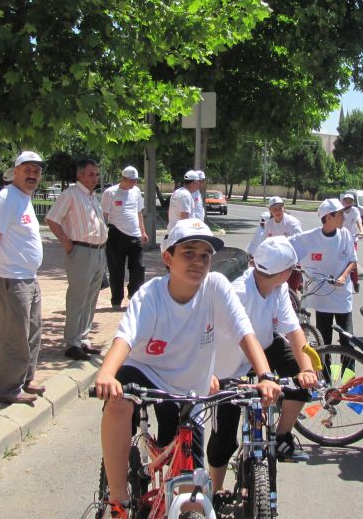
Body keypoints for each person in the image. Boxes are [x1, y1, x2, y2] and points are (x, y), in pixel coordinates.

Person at [93, 219, 282, 519]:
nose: (198, 261)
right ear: (168, 258)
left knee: (191, 495)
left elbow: (244, 332)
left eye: (205, 255)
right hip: (145, 374)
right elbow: (124, 340)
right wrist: (106, 375)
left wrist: (265, 376)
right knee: (118, 402)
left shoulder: (216, 286)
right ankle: (117, 499)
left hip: (188, 392)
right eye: (188, 253)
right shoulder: (151, 295)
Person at [207, 237, 318, 494]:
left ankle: (281, 436)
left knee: (301, 385)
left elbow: (294, 331)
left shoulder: (278, 289)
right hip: (229, 363)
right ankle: (216, 490)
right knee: (224, 438)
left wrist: (307, 370)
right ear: (284, 273)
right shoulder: (238, 292)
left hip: (266, 349)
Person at [0, 151, 46, 404]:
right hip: (11, 279)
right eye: (27, 170)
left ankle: (26, 379)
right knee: (15, 337)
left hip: (28, 277)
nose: (32, 176)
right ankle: (8, 389)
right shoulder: (6, 199)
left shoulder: (24, 199)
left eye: (36, 172)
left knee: (33, 332)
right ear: (15, 172)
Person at [45, 159, 108, 358]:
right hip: (81, 251)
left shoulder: (91, 196)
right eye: (91, 174)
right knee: (78, 297)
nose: (95, 178)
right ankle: (72, 342)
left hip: (98, 251)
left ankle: (83, 338)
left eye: (97, 174)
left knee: (91, 297)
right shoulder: (71, 194)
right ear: (80, 175)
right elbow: (52, 218)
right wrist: (66, 243)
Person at [289, 199, 357, 346]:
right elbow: (286, 245)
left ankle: (347, 370)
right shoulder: (310, 238)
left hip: (342, 297)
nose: (344, 218)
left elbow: (353, 260)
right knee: (324, 341)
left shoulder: (345, 235)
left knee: (347, 342)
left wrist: (344, 276)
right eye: (340, 214)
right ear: (328, 217)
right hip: (322, 299)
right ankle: (328, 370)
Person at [101, 166, 148, 311]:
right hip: (117, 234)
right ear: (123, 178)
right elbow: (104, 215)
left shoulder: (136, 192)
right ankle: (116, 300)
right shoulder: (110, 193)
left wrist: (143, 231)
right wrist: (103, 234)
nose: (133, 183)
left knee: (138, 267)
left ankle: (134, 294)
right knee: (116, 269)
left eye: (135, 180)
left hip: (135, 235)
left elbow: (139, 212)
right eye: (130, 180)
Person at [166, 170, 201, 235]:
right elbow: (184, 217)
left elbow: (170, 212)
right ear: (194, 182)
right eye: (198, 182)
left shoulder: (177, 192)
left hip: (172, 231)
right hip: (180, 235)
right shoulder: (186, 195)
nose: (199, 184)